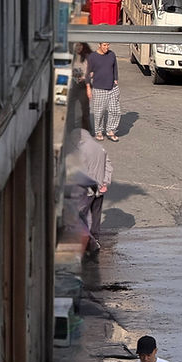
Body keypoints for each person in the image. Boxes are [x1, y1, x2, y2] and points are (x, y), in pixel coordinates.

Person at [65, 127, 112, 256]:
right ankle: (95, 239)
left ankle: (87, 243)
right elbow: (108, 166)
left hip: (87, 191)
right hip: (100, 190)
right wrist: (105, 183)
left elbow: (81, 172)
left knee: (80, 217)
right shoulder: (100, 148)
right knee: (96, 216)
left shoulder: (80, 151)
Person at [86, 40, 121, 141]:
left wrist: (116, 79)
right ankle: (99, 131)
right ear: (99, 45)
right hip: (99, 88)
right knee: (99, 112)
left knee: (115, 110)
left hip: (112, 87)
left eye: (108, 45)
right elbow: (87, 72)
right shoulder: (92, 57)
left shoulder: (112, 54)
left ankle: (110, 130)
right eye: (104, 45)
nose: (107, 47)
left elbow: (115, 68)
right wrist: (88, 87)